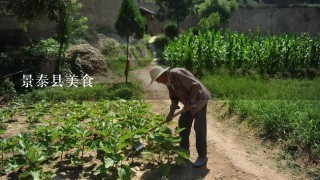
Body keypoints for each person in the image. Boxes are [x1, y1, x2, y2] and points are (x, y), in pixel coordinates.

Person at [149, 65, 211, 168]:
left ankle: (202, 157)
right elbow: (174, 98)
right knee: (183, 126)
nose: (157, 82)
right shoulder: (168, 82)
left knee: (199, 128)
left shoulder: (176, 74)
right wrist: (171, 113)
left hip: (199, 100)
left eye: (157, 79)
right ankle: (184, 154)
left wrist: (191, 102)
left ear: (162, 75)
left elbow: (195, 86)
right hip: (188, 104)